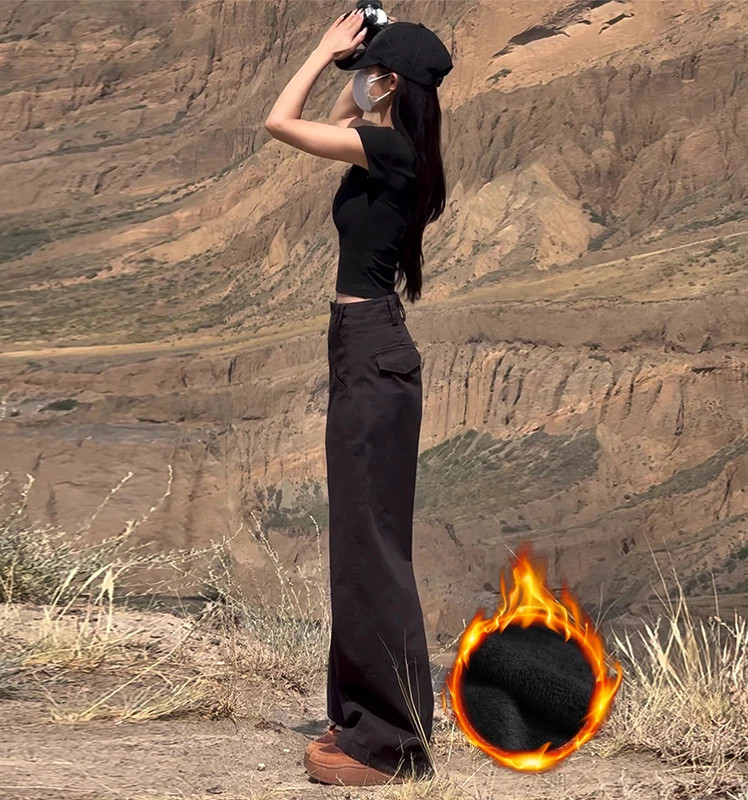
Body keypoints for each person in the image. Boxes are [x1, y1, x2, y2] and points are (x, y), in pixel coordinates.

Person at [264, 10, 454, 787]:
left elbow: (281, 123)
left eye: (374, 72)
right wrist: (363, 69)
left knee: (371, 549)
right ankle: (360, 718)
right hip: (365, 346)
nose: (363, 80)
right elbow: (342, 118)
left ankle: (391, 744)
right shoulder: (400, 146)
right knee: (360, 541)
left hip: (371, 350)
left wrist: (321, 52)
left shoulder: (391, 148)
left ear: (393, 83)